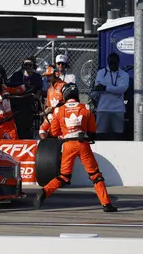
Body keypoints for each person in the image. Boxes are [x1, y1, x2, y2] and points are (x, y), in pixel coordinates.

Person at [34, 83, 118, 212]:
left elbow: (55, 132)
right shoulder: (85, 108)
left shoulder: (59, 110)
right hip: (83, 144)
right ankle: (106, 204)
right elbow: (92, 130)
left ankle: (43, 193)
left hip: (68, 145)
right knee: (95, 175)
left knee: (63, 176)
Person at [92, 53, 130, 141]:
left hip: (118, 109)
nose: (112, 64)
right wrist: (114, 90)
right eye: (110, 62)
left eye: (114, 62)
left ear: (118, 62)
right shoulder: (101, 72)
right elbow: (98, 87)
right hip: (103, 108)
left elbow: (122, 89)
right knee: (100, 133)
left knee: (118, 134)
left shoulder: (124, 74)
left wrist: (106, 88)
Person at [0, 71, 26, 140]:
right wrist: (1, 97)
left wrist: (23, 87)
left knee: (15, 141)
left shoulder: (4, 88)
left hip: (10, 122)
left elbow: (14, 90)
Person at [9, 57, 43, 139]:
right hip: (18, 100)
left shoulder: (37, 77)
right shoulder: (17, 75)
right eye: (25, 65)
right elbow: (11, 87)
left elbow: (39, 90)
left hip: (30, 101)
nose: (27, 67)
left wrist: (36, 97)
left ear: (33, 66)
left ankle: (28, 134)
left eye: (30, 65)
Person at [38, 66, 67, 139]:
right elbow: (48, 106)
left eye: (49, 76)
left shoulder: (64, 85)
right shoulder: (49, 90)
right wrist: (44, 112)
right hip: (52, 117)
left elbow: (68, 101)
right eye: (47, 76)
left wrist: (54, 107)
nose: (48, 78)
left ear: (55, 74)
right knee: (42, 130)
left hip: (63, 117)